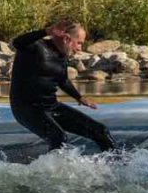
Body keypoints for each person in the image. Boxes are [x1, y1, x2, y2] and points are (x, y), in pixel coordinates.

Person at [8, 19, 117, 152]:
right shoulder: (35, 47)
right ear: (66, 39)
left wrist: (79, 97)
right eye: (79, 43)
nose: (80, 49)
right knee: (58, 137)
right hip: (26, 108)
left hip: (51, 106)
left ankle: (118, 165)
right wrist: (46, 31)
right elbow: (17, 42)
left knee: (100, 131)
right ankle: (52, 172)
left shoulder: (62, 55)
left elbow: (62, 79)